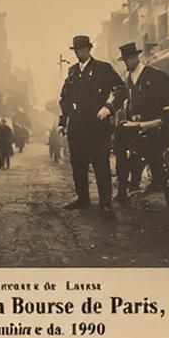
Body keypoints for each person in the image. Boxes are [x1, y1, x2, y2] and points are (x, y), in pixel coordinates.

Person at [58, 34, 122, 216]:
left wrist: (109, 107)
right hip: (77, 128)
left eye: (82, 49)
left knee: (101, 164)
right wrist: (63, 121)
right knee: (78, 164)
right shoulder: (72, 71)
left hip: (97, 127)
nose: (79, 53)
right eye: (76, 50)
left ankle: (105, 203)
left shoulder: (103, 68)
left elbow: (120, 88)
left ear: (88, 49)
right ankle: (82, 198)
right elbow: (65, 98)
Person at [115, 42, 169, 201]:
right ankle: (125, 190)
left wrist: (163, 123)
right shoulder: (127, 80)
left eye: (129, 59)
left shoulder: (156, 76)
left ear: (136, 57)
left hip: (155, 127)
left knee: (160, 162)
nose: (126, 62)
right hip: (135, 127)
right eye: (124, 60)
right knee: (126, 155)